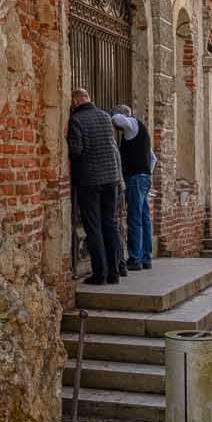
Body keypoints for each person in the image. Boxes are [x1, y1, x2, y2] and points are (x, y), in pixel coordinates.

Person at [65, 87, 124, 284]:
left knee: (93, 225)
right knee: (110, 223)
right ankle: (114, 271)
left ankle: (99, 273)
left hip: (90, 180)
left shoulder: (76, 120)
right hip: (111, 178)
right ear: (88, 98)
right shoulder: (105, 116)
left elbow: (76, 150)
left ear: (75, 101)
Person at [113, 104, 155, 271]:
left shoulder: (131, 124)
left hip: (136, 179)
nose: (116, 128)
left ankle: (135, 258)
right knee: (144, 218)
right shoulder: (141, 132)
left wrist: (111, 116)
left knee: (135, 218)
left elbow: (117, 118)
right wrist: (147, 173)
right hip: (144, 178)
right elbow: (153, 158)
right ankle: (146, 257)